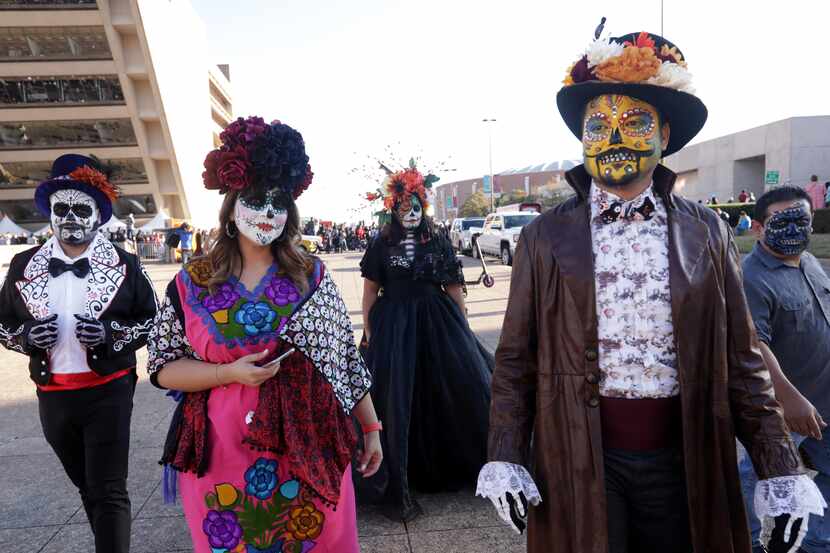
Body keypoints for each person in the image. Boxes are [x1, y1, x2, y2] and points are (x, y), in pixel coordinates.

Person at [476, 29, 825, 553]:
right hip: (578, 453)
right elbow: (514, 359)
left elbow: (742, 357)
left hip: (686, 452)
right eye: (598, 125)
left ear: (664, 133)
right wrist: (505, 453)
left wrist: (780, 467)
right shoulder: (544, 236)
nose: (613, 136)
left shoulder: (706, 231)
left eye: (634, 122)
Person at [147, 116, 381, 553]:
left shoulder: (310, 275)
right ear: (232, 206)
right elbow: (162, 368)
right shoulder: (192, 280)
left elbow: (343, 359)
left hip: (307, 446)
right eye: (256, 200)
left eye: (279, 203)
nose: (269, 212)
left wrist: (371, 427)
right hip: (222, 454)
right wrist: (227, 373)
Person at [0, 154, 158, 553]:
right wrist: (27, 337)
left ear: (99, 215)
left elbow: (154, 320)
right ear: (50, 213)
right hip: (52, 395)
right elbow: (1, 325)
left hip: (109, 390)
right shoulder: (23, 266)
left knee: (107, 489)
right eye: (62, 209)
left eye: (81, 208)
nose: (70, 217)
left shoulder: (125, 266)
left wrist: (111, 334)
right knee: (87, 486)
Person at [358, 160, 493, 521]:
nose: (411, 213)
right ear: (393, 209)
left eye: (415, 207)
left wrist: (461, 326)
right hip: (394, 325)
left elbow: (452, 286)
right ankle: (402, 474)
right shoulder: (381, 243)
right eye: (404, 208)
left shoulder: (438, 239)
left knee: (450, 387)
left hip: (437, 321)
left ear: (423, 206)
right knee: (397, 397)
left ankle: (463, 465)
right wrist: (370, 331)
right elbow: (370, 290)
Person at [739, 186, 830, 553]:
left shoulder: (809, 261)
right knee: (753, 475)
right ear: (758, 227)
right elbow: (753, 344)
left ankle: (815, 542)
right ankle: (743, 541)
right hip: (784, 407)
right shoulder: (750, 278)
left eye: (801, 220)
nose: (793, 230)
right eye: (782, 221)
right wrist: (789, 399)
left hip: (824, 399)